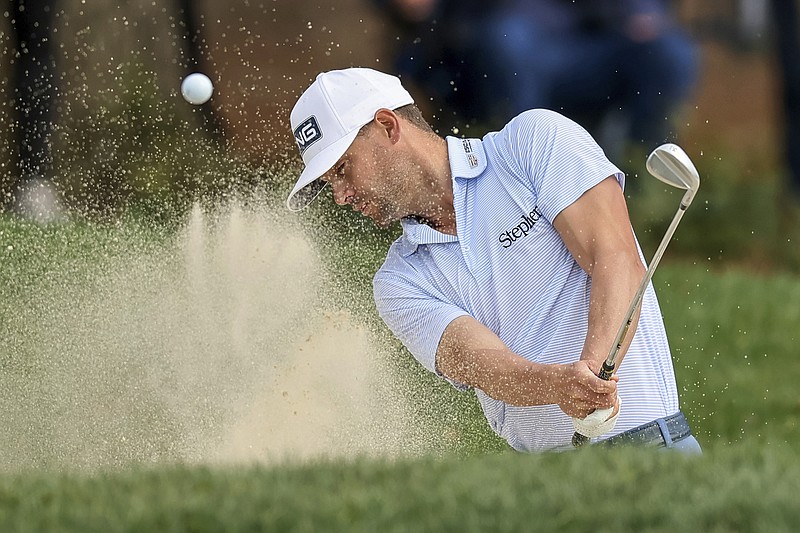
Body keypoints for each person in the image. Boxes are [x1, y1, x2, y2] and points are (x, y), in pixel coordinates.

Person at [286, 67, 701, 453]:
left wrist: (592, 371)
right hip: (544, 487)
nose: (341, 196)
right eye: (330, 184)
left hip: (653, 449)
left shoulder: (532, 144)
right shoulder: (399, 280)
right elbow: (484, 366)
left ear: (388, 127)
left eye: (343, 170)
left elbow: (616, 259)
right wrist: (563, 386)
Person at [373, 0, 698, 154]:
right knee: (509, 39)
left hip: (585, 45)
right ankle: (526, 182)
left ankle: (644, 172)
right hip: (493, 44)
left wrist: (639, 13)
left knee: (670, 53)